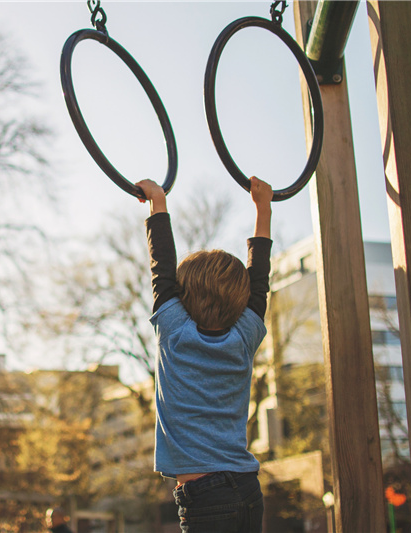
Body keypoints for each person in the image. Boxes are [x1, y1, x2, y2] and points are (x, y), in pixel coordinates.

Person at [136, 176, 273, 533]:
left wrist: (159, 201)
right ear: (240, 302)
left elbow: (162, 268)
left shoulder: (176, 334)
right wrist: (262, 208)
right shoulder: (244, 337)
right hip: (246, 488)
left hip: (207, 497)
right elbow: (259, 280)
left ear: (183, 297)